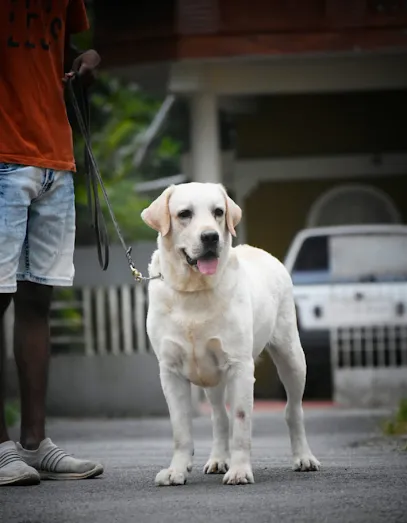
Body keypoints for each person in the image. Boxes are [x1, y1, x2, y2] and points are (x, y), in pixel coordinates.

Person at [0, 0, 104, 486]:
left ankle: (34, 443)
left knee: (37, 299)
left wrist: (84, 62)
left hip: (54, 160)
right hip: (2, 154)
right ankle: (0, 449)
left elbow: (60, 52)